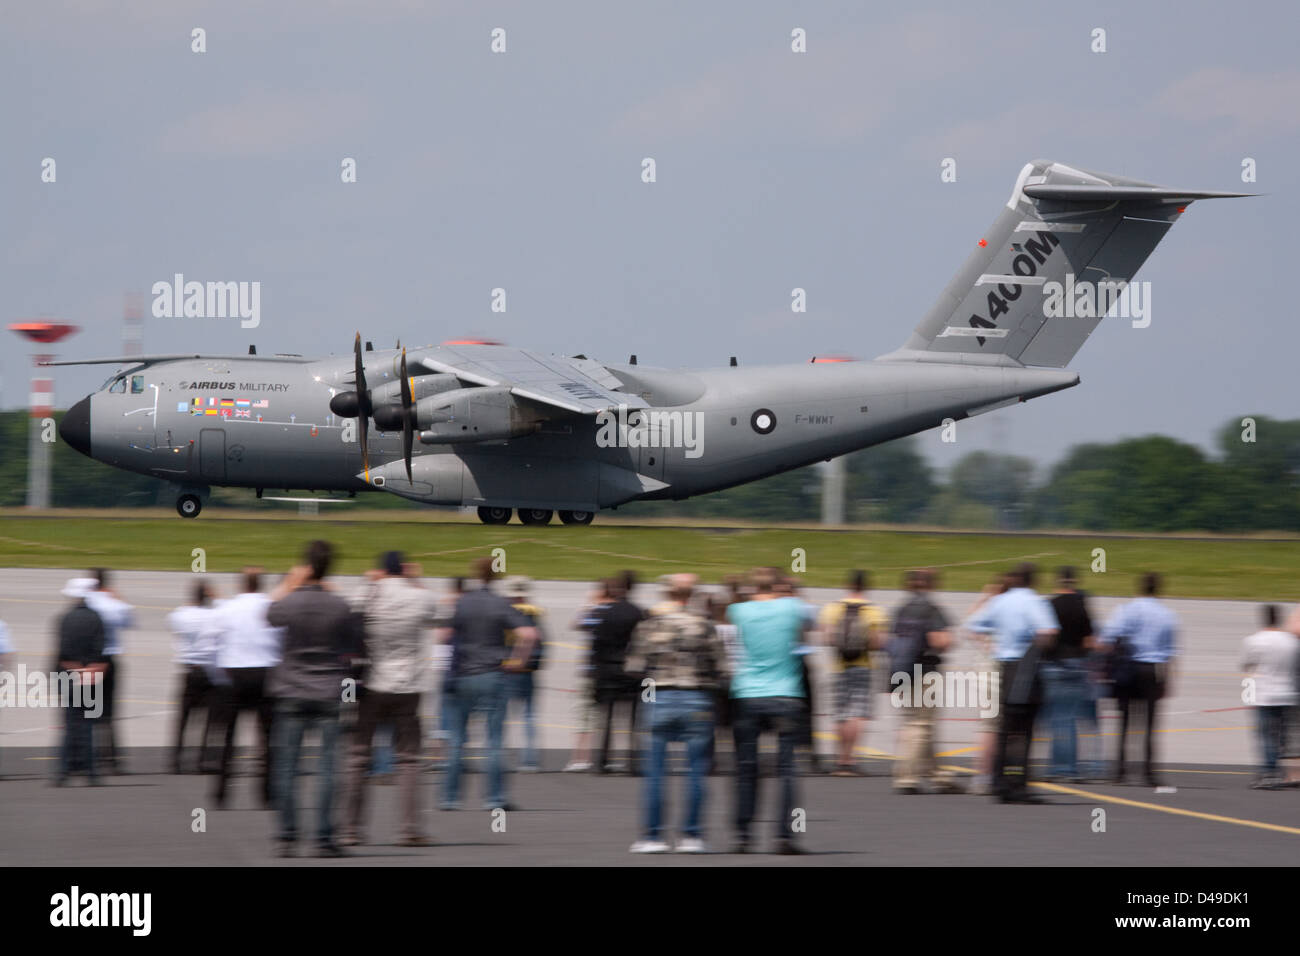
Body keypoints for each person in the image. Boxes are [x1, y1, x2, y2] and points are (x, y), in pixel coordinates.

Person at [266, 542, 360, 857]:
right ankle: (323, 837)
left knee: (287, 767)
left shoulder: (290, 602)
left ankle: (287, 836)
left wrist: (290, 583)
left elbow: (269, 614)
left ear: (306, 566)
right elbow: (353, 648)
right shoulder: (339, 606)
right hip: (328, 691)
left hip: (291, 689)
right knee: (328, 769)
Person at [340, 552, 441, 846]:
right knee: (408, 759)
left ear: (382, 570)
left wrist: (373, 583)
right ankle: (410, 828)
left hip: (370, 682)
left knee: (358, 756)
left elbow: (350, 619)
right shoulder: (419, 597)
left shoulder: (366, 594)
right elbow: (435, 614)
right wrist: (415, 580)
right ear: (404, 570)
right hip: (408, 684)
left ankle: (351, 829)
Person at [625, 573, 730, 853]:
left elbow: (634, 666)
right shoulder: (704, 625)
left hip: (659, 696)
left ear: (666, 594)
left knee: (655, 772)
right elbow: (723, 667)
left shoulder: (651, 624)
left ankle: (653, 836)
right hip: (697, 698)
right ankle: (691, 836)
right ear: (692, 595)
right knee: (696, 771)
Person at [438, 558, 537, 811]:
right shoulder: (500, 604)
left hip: (462, 674)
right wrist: (517, 660)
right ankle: (494, 798)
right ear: (497, 577)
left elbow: (443, 635)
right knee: (493, 740)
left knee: (457, 739)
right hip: (492, 674)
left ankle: (450, 798)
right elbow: (529, 634)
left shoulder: (462, 602)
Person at [727, 567, 808, 854]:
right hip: (786, 694)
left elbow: (730, 605)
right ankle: (784, 835)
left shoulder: (739, 611)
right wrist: (792, 590)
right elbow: (810, 620)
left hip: (748, 694)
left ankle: (743, 834)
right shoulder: (792, 607)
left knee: (746, 768)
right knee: (787, 769)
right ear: (779, 586)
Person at [966, 563, 1059, 803]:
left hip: (1004, 667)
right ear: (1032, 580)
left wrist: (994, 643)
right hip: (1026, 665)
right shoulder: (1034, 602)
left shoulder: (1001, 601)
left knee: (1004, 729)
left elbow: (973, 624)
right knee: (1026, 730)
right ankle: (1020, 784)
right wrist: (1038, 647)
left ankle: (999, 782)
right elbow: (1048, 631)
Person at [209, 568, 283, 808]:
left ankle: (221, 793)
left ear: (241, 585)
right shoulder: (270, 606)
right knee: (267, 738)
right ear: (260, 584)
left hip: (235, 674)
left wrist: (219, 675)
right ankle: (267, 794)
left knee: (228, 737)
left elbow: (213, 644)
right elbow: (282, 641)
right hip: (265, 673)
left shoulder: (227, 608)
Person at [1100, 572, 1178, 787]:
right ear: (1158, 589)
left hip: (1129, 668)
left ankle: (1120, 771)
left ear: (1140, 588)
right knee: (1150, 724)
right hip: (1152, 671)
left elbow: (1109, 637)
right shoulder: (1167, 615)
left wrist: (1107, 666)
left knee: (1124, 722)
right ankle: (1149, 772)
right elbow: (1171, 652)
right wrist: (1169, 681)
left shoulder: (1127, 610)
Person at [888, 568, 960, 794]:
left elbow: (888, 641)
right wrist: (950, 643)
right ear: (931, 584)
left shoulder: (900, 609)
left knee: (916, 724)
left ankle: (938, 776)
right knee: (921, 725)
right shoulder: (932, 610)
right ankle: (906, 776)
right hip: (925, 671)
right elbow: (940, 641)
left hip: (900, 671)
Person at [817, 569, 886, 776]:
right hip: (863, 666)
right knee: (857, 713)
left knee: (840, 714)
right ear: (866, 587)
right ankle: (850, 759)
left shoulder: (831, 609)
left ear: (847, 585)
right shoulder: (875, 612)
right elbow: (878, 643)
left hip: (838, 667)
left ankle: (839, 760)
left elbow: (826, 639)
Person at [1042, 567, 1098, 782]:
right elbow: (1089, 641)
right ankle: (1070, 768)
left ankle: (1057, 768)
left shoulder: (1050, 604)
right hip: (1076, 665)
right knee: (1070, 719)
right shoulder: (1082, 606)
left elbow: (1046, 637)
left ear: (1057, 582)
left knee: (1056, 720)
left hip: (1054, 664)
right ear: (1073, 582)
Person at [52, 578, 107, 786]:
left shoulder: (65, 619)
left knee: (69, 725)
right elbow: (100, 650)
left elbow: (62, 651)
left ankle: (63, 772)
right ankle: (91, 772)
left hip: (68, 674)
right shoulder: (97, 618)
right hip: (90, 676)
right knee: (87, 726)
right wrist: (89, 670)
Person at [592, 574, 646, 774]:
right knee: (634, 719)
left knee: (606, 718)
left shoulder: (605, 613)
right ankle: (633, 762)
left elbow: (596, 644)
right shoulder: (638, 613)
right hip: (631, 670)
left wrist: (596, 671)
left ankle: (603, 760)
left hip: (607, 669)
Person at [1241, 604, 1299, 789]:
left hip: (1264, 694)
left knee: (1266, 734)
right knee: (1283, 735)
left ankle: (1268, 771)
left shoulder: (1254, 640)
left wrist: (1247, 694)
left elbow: (1246, 666)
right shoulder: (1290, 641)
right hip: (1287, 694)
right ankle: (1282, 771)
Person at [168, 580, 221, 774]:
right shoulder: (214, 616)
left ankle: (176, 760)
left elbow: (173, 618)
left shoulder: (181, 615)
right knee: (208, 719)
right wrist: (216, 599)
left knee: (183, 718)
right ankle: (203, 760)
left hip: (189, 670)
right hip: (209, 672)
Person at [86, 569, 133, 773]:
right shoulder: (114, 604)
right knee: (110, 713)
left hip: (88, 661)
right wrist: (118, 599)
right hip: (109, 660)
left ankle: (90, 757)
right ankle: (112, 759)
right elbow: (129, 621)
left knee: (89, 711)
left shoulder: (87, 602)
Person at [563, 580, 609, 773]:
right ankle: (597, 758)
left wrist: (588, 606)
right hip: (604, 671)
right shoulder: (609, 613)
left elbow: (575, 624)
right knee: (598, 717)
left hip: (589, 671)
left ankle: (580, 758)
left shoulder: (595, 613)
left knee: (583, 716)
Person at [503, 576, 546, 772]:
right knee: (529, 715)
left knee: (501, 715)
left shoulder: (505, 611)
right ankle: (530, 760)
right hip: (527, 670)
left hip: (507, 668)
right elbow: (542, 640)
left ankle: (499, 757)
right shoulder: (534, 613)